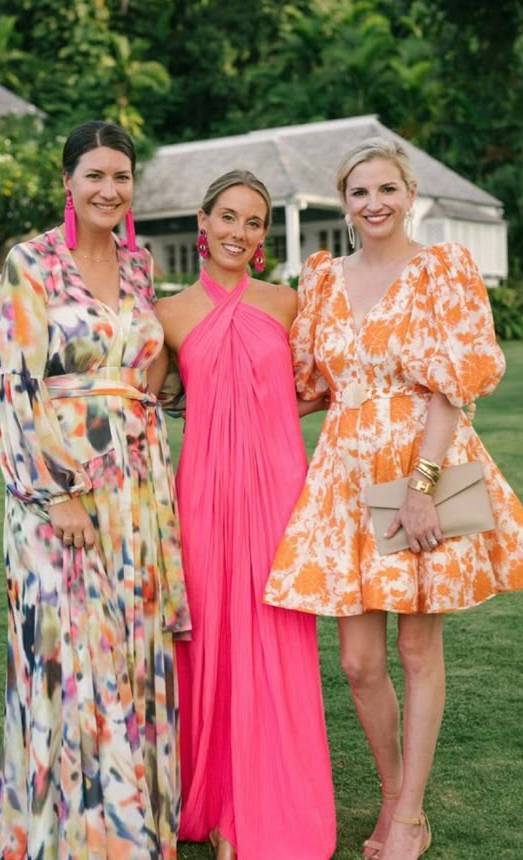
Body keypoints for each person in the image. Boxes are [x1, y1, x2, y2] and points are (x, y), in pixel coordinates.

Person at [264, 137, 523, 860]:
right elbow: (305, 386)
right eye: (360, 192)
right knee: (358, 662)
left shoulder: (442, 269)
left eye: (387, 189)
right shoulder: (325, 280)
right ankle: (394, 788)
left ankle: (409, 816)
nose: (374, 203)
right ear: (345, 202)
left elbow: (453, 384)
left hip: (422, 460)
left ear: (409, 193)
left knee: (418, 645)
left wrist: (423, 491)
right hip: (343, 473)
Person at [0, 120, 190, 860]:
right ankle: (69, 836)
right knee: (70, 652)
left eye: (122, 176)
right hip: (59, 490)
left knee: (131, 649)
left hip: (138, 490)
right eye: (95, 175)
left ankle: (132, 828)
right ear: (68, 181)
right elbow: (13, 389)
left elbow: (151, 365)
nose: (110, 189)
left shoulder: (139, 268)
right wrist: (53, 493)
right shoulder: (31, 263)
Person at [155, 170, 336, 860]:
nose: (238, 231)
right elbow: (140, 401)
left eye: (253, 222)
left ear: (264, 236)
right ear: (202, 222)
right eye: (227, 217)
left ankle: (265, 805)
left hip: (278, 489)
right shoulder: (166, 313)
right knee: (205, 638)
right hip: (199, 490)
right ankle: (215, 801)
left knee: (275, 638)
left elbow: (323, 386)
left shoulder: (289, 303)